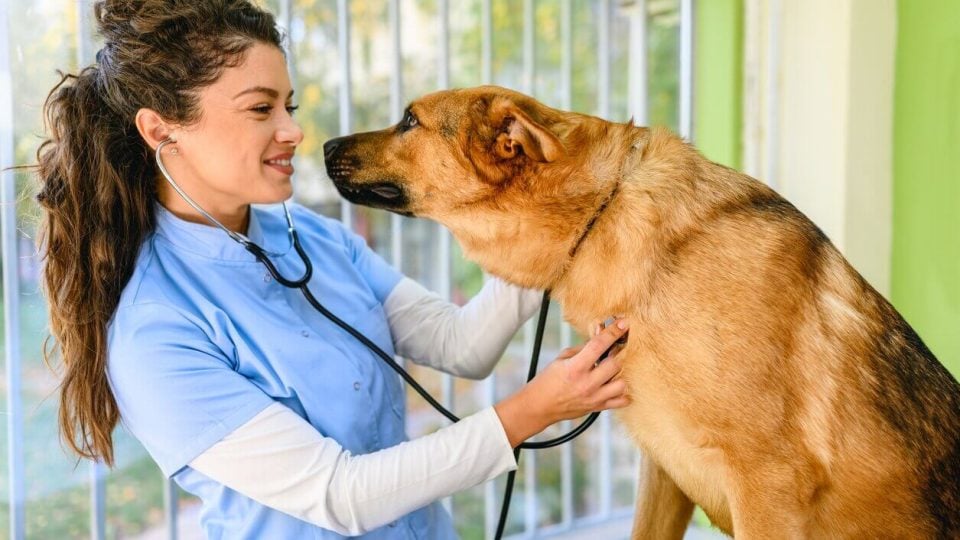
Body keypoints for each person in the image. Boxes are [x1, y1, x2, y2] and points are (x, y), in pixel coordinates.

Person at [35, 1, 630, 538]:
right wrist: (536, 408)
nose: (293, 131)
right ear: (161, 130)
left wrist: (552, 223)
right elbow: (340, 495)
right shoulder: (154, 332)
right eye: (260, 108)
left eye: (287, 106)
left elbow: (461, 344)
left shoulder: (314, 237)